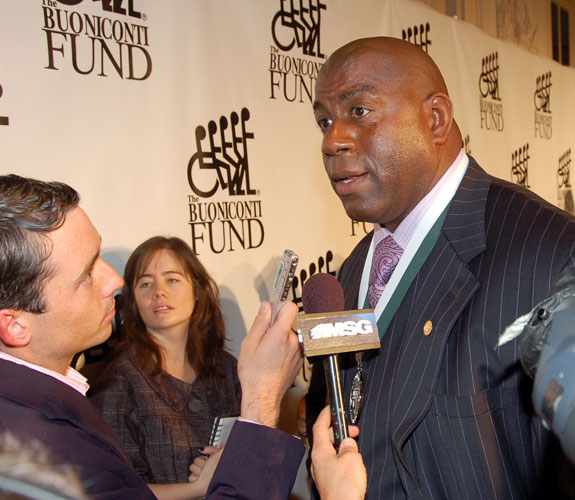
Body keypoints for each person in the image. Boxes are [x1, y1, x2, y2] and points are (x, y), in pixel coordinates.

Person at [306, 37, 575, 499]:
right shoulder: (351, 271)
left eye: (359, 112)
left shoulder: (549, 254)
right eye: (325, 121)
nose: (333, 140)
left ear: (435, 118)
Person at [0, 174, 306, 500]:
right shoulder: (36, 456)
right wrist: (261, 410)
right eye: (87, 275)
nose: (115, 281)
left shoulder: (223, 367)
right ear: (15, 326)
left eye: (173, 280)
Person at [90, 236, 241, 497]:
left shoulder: (225, 367)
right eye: (145, 283)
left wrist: (233, 459)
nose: (159, 291)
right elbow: (116, 491)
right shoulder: (118, 383)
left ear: (196, 288)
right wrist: (196, 488)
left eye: (172, 279)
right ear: (132, 301)